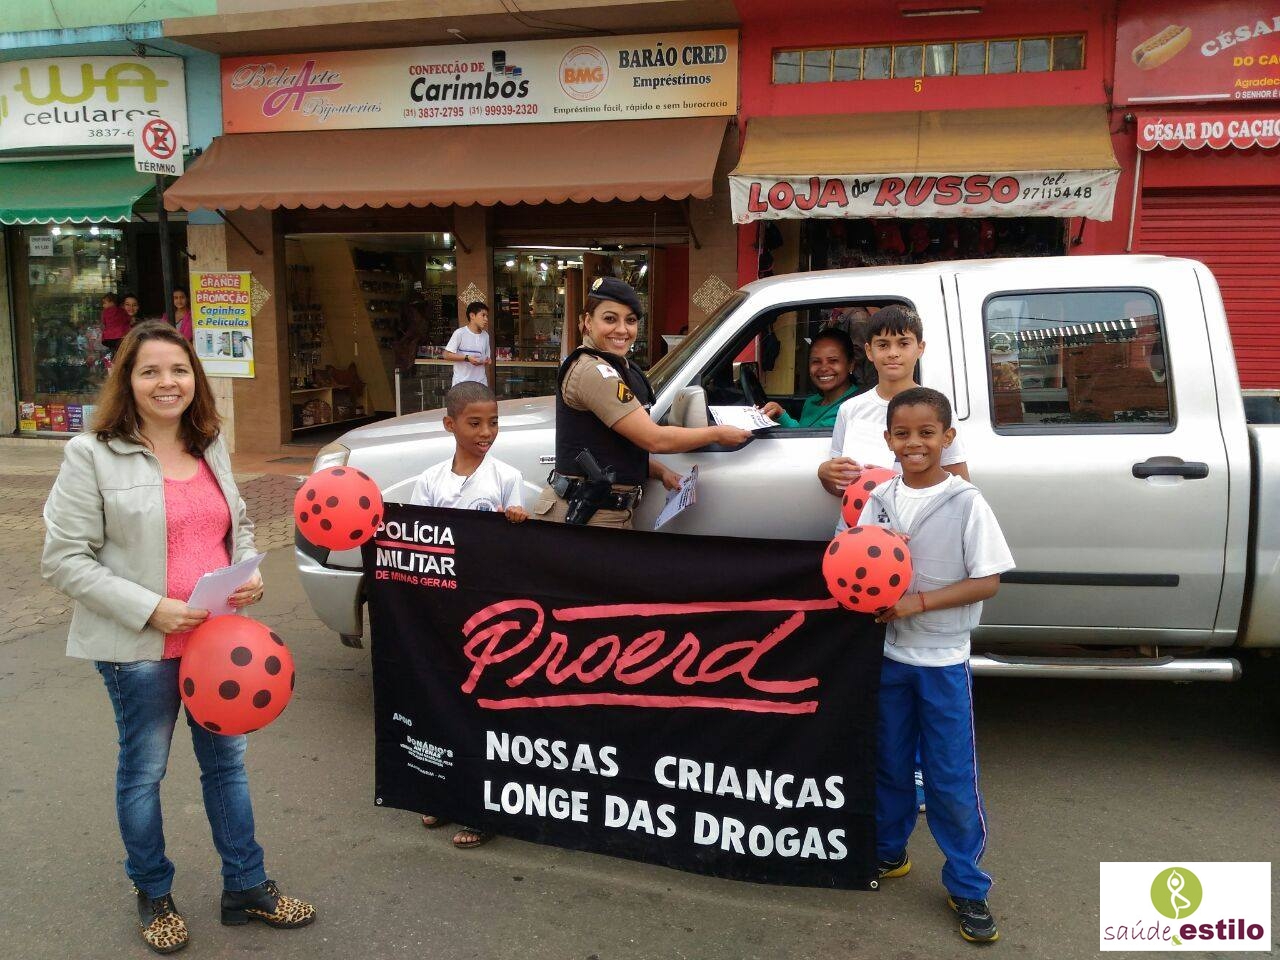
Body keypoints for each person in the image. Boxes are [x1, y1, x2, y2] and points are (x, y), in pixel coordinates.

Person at [41, 321, 315, 954]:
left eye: (179, 370)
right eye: (150, 371)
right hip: (140, 651)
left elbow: (237, 525)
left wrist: (246, 574)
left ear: (195, 377)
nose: (167, 383)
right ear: (128, 381)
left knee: (227, 767)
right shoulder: (91, 454)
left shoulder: (208, 442)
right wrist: (151, 610)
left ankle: (245, 886)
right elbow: (64, 560)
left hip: (216, 646)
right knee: (145, 771)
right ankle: (153, 892)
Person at [858, 387, 1014, 944]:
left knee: (949, 777)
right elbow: (855, 561)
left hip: (943, 661)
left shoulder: (966, 501)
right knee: (890, 764)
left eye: (927, 433)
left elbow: (988, 580)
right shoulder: (879, 498)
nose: (915, 443)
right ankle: (889, 851)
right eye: (903, 434)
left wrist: (917, 602)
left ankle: (967, 885)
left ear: (947, 437)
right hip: (890, 658)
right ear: (888, 440)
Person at [534, 277, 752, 529]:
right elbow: (654, 439)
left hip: (601, 512)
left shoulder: (615, 366)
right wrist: (717, 434)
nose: (622, 330)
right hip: (588, 515)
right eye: (610, 319)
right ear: (586, 322)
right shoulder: (595, 372)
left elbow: (612, 449)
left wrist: (660, 472)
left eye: (630, 320)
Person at [409, 381, 526, 848]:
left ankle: (481, 808)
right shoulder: (430, 482)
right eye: (474, 423)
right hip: (443, 617)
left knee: (482, 707)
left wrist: (516, 522)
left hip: (487, 618)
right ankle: (442, 793)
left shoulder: (507, 479)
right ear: (450, 424)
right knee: (443, 702)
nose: (486, 432)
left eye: (493, 422)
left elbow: (519, 553)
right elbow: (415, 542)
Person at [819, 304, 969, 502]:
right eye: (883, 345)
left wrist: (891, 481)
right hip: (860, 519)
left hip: (914, 518)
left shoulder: (938, 407)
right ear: (869, 351)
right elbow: (840, 487)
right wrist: (825, 474)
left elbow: (960, 486)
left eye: (903, 343)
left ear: (920, 348)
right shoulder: (850, 409)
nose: (893, 353)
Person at [758, 328, 861, 429]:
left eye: (833, 361)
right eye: (816, 361)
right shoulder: (811, 402)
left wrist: (783, 417)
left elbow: (807, 439)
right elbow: (804, 434)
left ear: (851, 365)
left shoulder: (856, 407)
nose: (824, 368)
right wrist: (779, 413)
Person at [443, 301, 492, 387]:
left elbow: (487, 358)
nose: (486, 319)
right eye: (483, 315)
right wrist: (467, 358)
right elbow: (446, 355)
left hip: (480, 383)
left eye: (487, 316)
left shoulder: (485, 336)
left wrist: (486, 361)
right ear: (472, 316)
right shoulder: (460, 333)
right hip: (461, 384)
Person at [101, 292, 132, 358]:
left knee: (113, 351)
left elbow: (104, 322)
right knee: (121, 351)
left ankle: (113, 358)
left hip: (107, 338)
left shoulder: (105, 312)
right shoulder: (121, 311)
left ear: (112, 302)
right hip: (120, 337)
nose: (103, 305)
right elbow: (128, 319)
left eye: (104, 303)